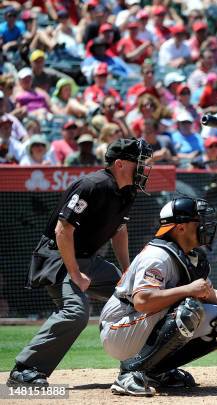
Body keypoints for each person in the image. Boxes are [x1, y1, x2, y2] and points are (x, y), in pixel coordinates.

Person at [7, 138, 153, 387]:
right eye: (138, 162)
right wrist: (75, 273)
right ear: (119, 164)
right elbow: (62, 231)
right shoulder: (91, 186)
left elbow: (120, 231)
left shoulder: (128, 190)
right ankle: (24, 370)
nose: (143, 167)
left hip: (89, 260)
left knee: (137, 297)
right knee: (76, 312)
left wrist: (128, 272)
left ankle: (147, 366)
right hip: (59, 259)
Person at [99, 197, 217, 396]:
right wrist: (188, 290)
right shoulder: (157, 256)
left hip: (139, 325)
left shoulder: (189, 256)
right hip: (118, 328)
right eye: (198, 220)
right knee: (188, 309)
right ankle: (130, 373)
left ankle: (156, 372)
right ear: (180, 228)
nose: (204, 225)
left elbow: (211, 295)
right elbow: (142, 301)